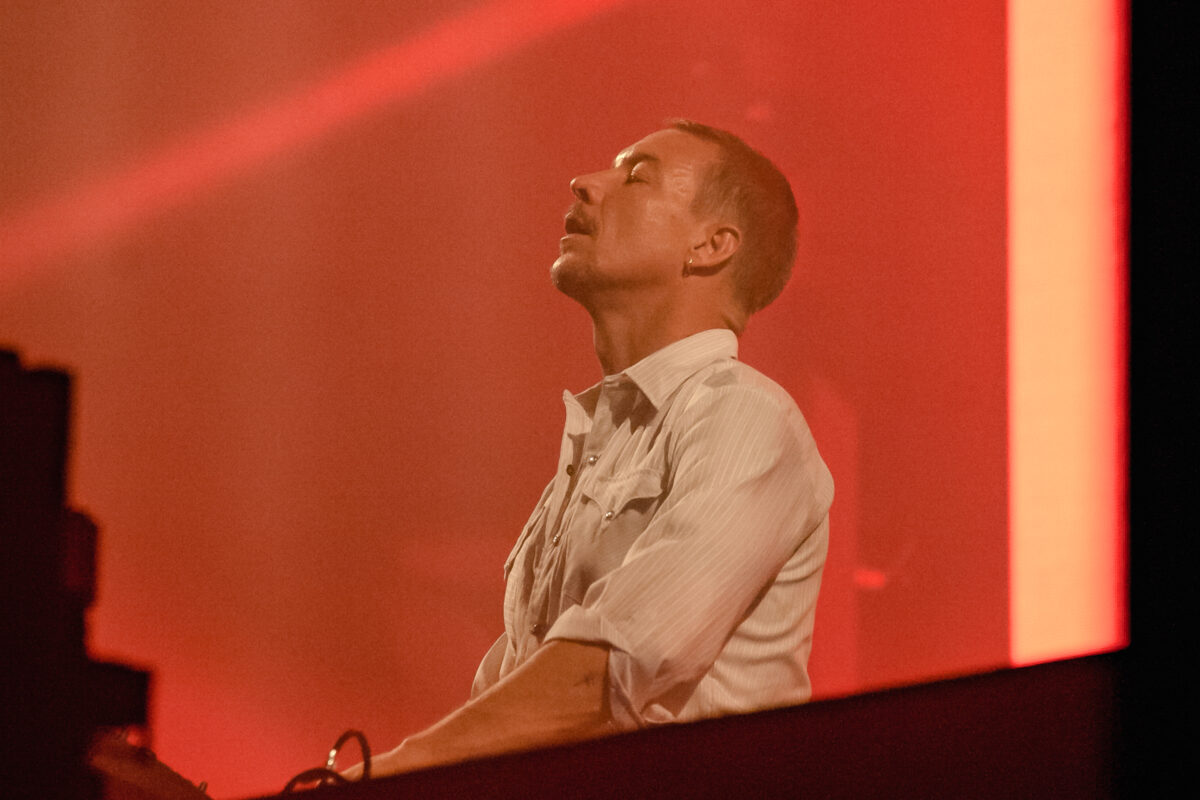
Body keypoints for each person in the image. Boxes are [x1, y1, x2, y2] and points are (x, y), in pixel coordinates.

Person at [351, 120, 833, 778]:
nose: (584, 183)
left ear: (711, 245)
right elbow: (512, 701)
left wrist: (390, 771)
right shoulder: (603, 443)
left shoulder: (744, 415)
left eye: (637, 176)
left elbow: (610, 665)